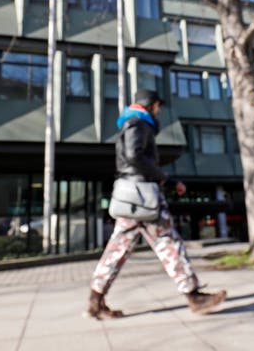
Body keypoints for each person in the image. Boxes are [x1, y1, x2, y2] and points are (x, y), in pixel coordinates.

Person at [86, 89, 226, 319]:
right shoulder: (138, 123)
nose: (159, 110)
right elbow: (134, 155)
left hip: (130, 197)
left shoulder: (131, 123)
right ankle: (194, 297)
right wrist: (165, 179)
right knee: (168, 242)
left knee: (116, 249)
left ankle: (95, 301)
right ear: (149, 105)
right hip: (144, 196)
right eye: (157, 106)